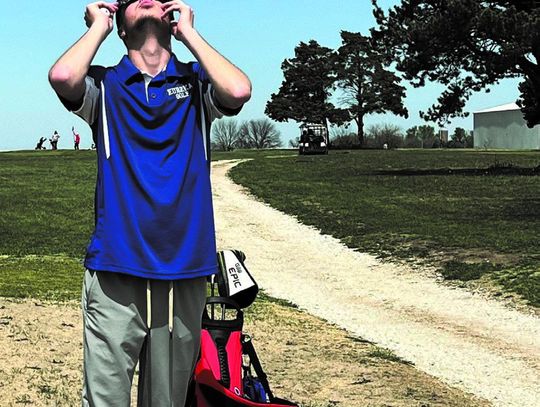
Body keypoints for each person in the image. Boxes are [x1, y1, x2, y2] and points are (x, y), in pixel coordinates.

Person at [48, 1, 251, 406]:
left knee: (166, 402)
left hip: (184, 270)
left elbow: (238, 90)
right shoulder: (105, 86)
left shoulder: (195, 83)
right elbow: (63, 75)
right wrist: (97, 27)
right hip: (115, 270)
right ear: (121, 26)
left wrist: (190, 34)